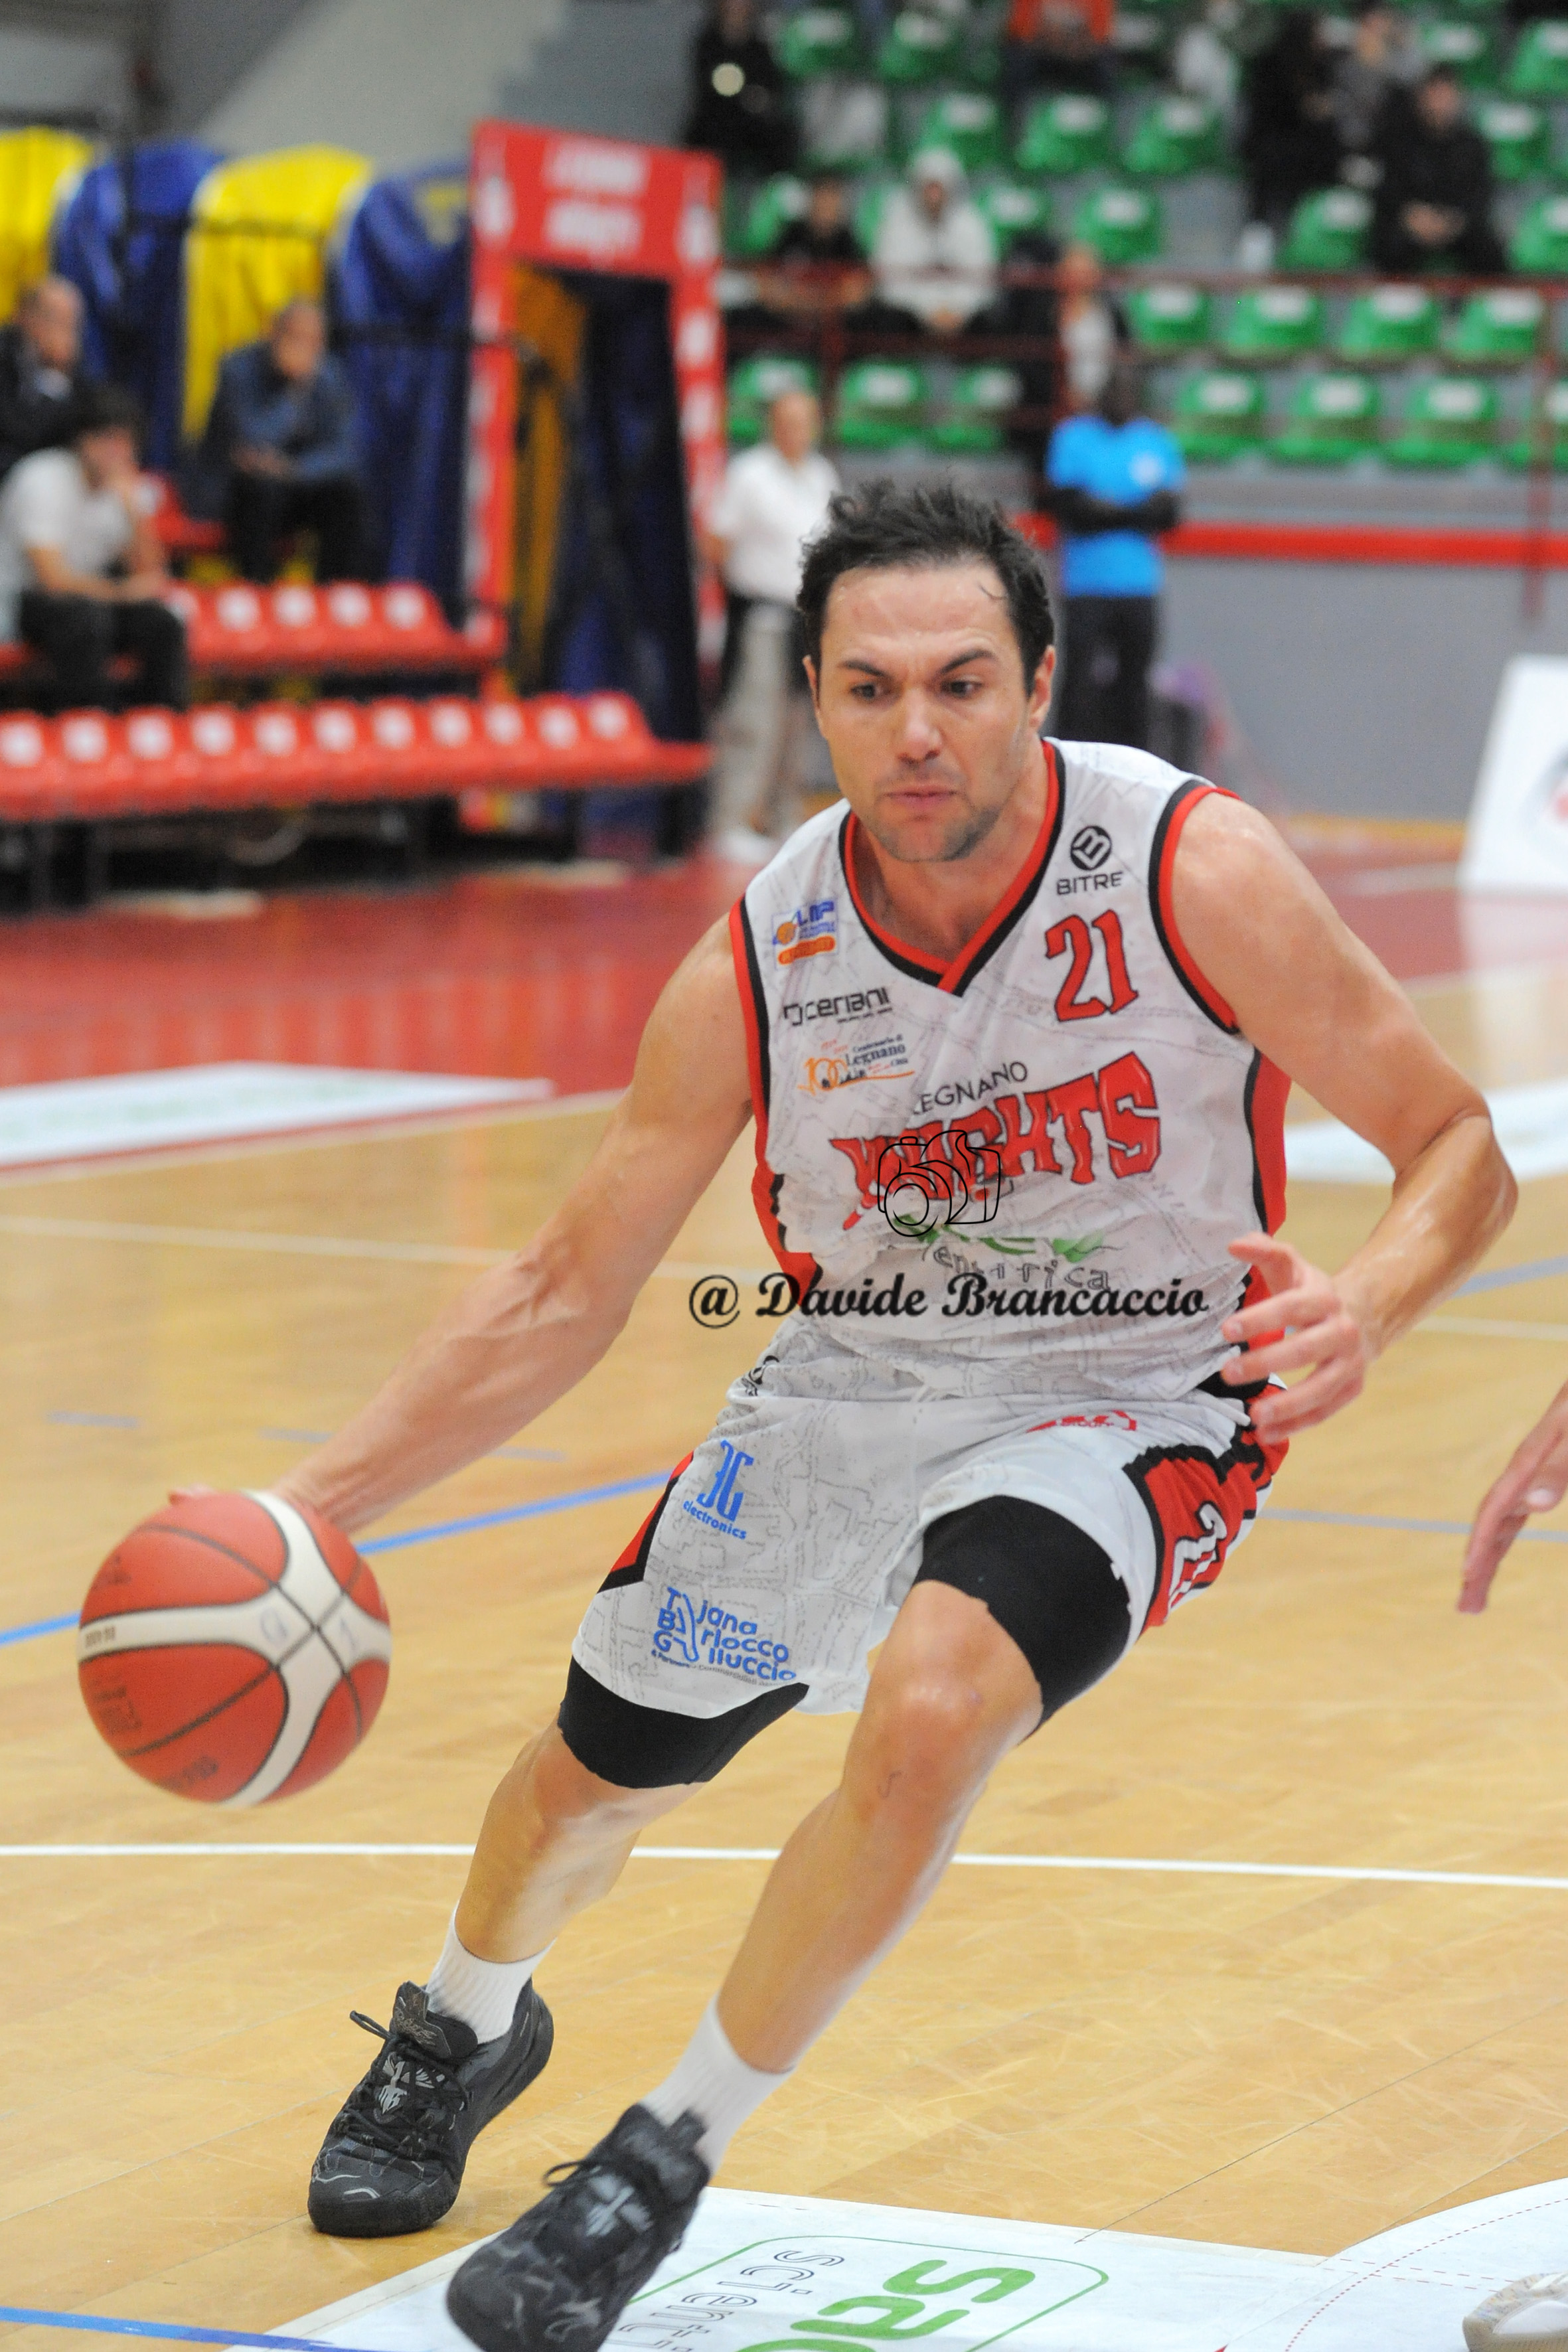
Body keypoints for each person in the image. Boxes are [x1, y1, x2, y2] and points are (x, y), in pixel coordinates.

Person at [252, 477, 1515, 2352]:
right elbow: (563, 1284)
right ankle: (462, 2021)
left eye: (959, 682)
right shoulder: (765, 948)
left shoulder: (1188, 865)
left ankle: (658, 2161)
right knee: (584, 1787)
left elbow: (1456, 1142)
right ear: (818, 700)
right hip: (843, 1388)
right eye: (868, 688)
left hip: (1133, 1390)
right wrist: (309, 1507)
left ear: (1040, 685)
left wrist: (1373, 1297)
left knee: (932, 1706)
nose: (916, 729)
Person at [704, 387, 837, 859]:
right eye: (788, 421)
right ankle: (732, 820)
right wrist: (740, 591)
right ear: (773, 425)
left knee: (800, 722)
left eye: (805, 421)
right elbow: (717, 542)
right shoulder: (750, 474)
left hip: (808, 617)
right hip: (761, 613)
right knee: (754, 718)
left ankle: (785, 819)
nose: (796, 431)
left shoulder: (821, 475)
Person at [0, 382, 187, 712]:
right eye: (107, 439)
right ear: (82, 439)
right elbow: (52, 580)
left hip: (90, 601)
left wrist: (134, 511)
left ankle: (158, 724)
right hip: (22, 603)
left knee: (163, 624)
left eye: (125, 442)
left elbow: (152, 574)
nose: (116, 452)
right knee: (87, 621)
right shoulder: (42, 479)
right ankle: (87, 723)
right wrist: (123, 593)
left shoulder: (126, 489)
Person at [1041, 360, 1183, 751]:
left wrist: (1105, 508)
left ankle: (1134, 761)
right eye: (1114, 389)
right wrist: (1135, 511)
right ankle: (1067, 761)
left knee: (1135, 684)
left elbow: (1168, 514)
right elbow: (1070, 508)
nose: (1120, 397)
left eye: (1128, 390)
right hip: (1085, 585)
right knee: (1078, 683)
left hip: (1139, 586)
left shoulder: (1156, 441)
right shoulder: (1073, 437)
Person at [198, 299, 366, 585]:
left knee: (347, 495)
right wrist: (294, 393)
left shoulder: (328, 375)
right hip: (236, 492)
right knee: (261, 488)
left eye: (312, 342)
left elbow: (345, 452)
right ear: (274, 333)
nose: (302, 348)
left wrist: (294, 469)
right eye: (294, 336)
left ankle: (334, 596)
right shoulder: (237, 369)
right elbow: (253, 441)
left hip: (295, 481)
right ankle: (257, 592)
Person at [1371, 64, 1506, 277]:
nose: (1441, 102)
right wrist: (1412, 216)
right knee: (1389, 247)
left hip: (1456, 225)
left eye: (1447, 94)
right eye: (1435, 94)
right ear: (1421, 98)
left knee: (1489, 251)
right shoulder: (1399, 141)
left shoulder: (1473, 144)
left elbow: (1480, 194)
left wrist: (1455, 221)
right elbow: (1387, 189)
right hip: (1413, 223)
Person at [1240, 11, 1343, 248]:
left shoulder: (1320, 66)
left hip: (1309, 145)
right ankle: (1261, 231)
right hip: (1272, 143)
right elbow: (1265, 113)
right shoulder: (1269, 64)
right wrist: (1303, 107)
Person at [871, 149, 998, 336]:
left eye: (939, 188)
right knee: (886, 320)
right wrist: (926, 311)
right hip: (911, 315)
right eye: (929, 188)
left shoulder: (972, 225)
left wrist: (958, 310)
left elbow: (983, 280)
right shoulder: (896, 224)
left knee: (991, 322)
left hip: (962, 317)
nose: (934, 196)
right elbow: (890, 282)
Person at [683, 0, 796, 179]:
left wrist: (757, 98)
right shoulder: (709, 41)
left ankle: (777, 186)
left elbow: (771, 84)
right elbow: (714, 83)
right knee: (714, 132)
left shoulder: (759, 45)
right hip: (717, 117)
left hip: (752, 122)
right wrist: (746, 93)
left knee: (781, 133)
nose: (738, 6)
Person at [0, 277, 90, 484]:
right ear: (25, 316)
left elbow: (86, 419)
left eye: (72, 325)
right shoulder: (5, 356)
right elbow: (20, 433)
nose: (66, 333)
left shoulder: (72, 367)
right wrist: (56, 376)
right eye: (57, 320)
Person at [753, 173, 874, 323]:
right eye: (821, 198)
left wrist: (819, 301)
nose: (825, 207)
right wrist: (795, 300)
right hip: (787, 319)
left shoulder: (848, 241)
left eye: (831, 200)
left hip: (835, 323)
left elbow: (857, 292)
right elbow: (765, 280)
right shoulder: (791, 234)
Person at [1334, 0, 1420, 170]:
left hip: (1398, 139)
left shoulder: (1402, 49)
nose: (1375, 26)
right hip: (1355, 139)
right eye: (1367, 22)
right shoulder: (1344, 57)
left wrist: (1384, 61)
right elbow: (1349, 104)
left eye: (1380, 18)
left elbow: (1415, 81)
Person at [1001, 0, 1114, 114]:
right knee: (1019, 63)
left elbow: (1100, 35)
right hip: (1040, 53)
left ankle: (1109, 115)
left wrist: (1074, 46)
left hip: (1080, 56)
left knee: (1104, 65)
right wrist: (1051, 40)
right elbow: (1021, 31)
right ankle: (1015, 117)